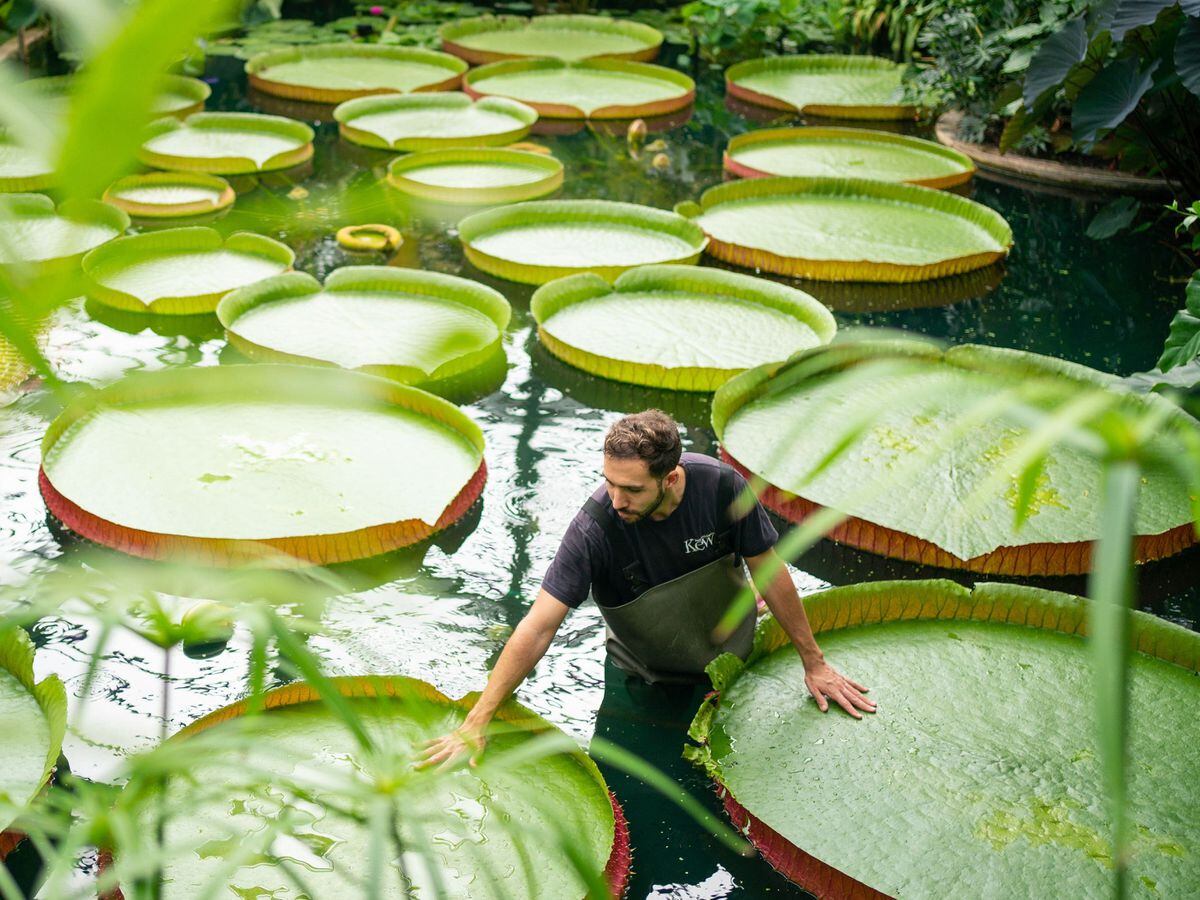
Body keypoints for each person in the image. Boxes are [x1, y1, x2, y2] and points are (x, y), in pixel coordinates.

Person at [419, 409, 874, 770]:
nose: (617, 500)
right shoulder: (594, 530)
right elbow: (538, 627)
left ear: (671, 478)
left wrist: (814, 664)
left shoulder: (721, 488)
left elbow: (769, 571)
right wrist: (478, 719)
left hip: (736, 662)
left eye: (632, 489)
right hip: (643, 677)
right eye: (609, 483)